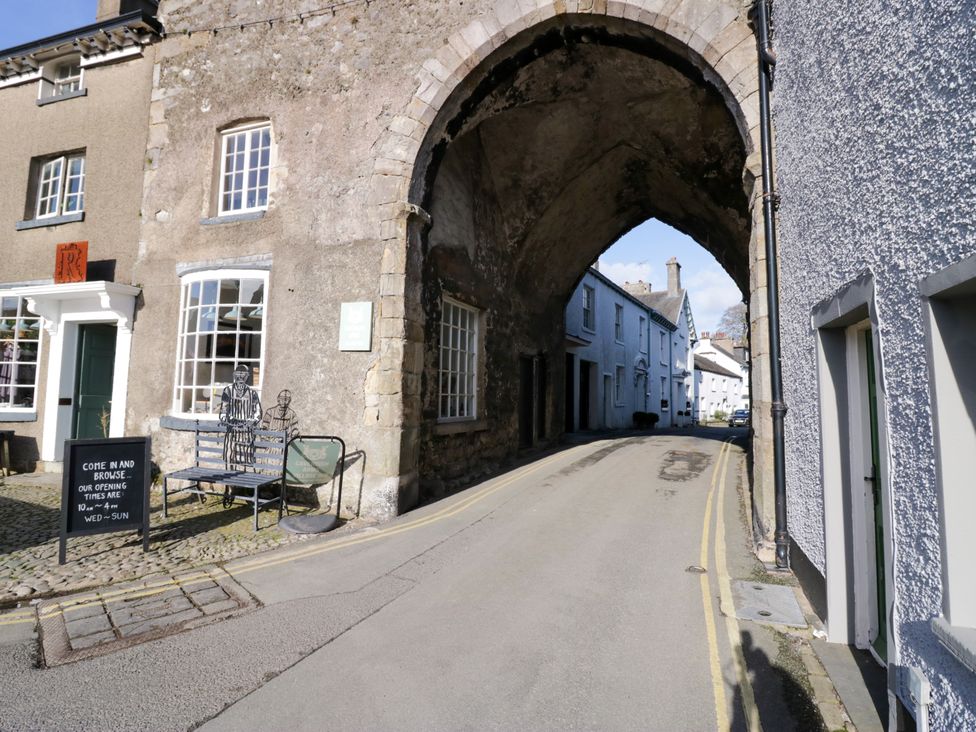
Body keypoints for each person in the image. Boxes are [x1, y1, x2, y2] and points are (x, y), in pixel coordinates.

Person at [219, 364, 261, 469]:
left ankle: (243, 479)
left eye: (244, 375)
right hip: (232, 429)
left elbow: (258, 411)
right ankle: (228, 477)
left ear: (247, 377)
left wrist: (253, 420)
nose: (241, 378)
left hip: (246, 430)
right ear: (234, 376)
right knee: (230, 456)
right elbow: (224, 410)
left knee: (245, 458)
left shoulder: (252, 393)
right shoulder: (227, 391)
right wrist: (225, 418)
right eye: (238, 375)